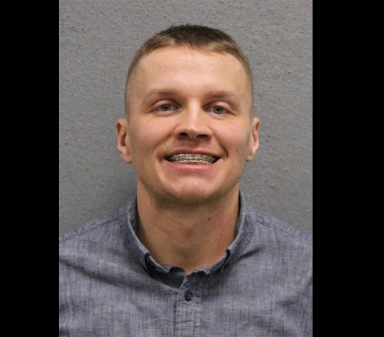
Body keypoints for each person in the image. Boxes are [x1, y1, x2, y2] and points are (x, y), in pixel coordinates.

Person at [59, 24, 312, 336]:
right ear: (125, 140)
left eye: (218, 108)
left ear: (253, 139)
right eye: (166, 106)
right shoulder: (64, 277)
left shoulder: (306, 278)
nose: (193, 127)